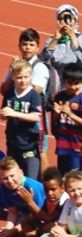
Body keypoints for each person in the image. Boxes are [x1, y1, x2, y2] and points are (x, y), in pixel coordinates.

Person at [1, 28, 52, 176]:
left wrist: (19, 79)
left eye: (31, 44)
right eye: (24, 44)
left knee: (40, 154)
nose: (27, 48)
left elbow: (35, 90)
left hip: (36, 123)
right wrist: (13, 73)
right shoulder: (14, 67)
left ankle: (46, 185)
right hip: (16, 129)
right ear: (19, 46)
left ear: (37, 47)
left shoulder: (40, 67)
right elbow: (4, 89)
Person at [40, 4, 82, 107]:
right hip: (60, 91)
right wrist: (55, 40)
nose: (66, 22)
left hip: (80, 91)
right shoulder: (52, 41)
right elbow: (42, 60)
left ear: (76, 20)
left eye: (69, 18)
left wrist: (73, 39)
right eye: (61, 19)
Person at [1, 59, 42, 179]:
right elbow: (4, 114)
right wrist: (4, 115)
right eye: (19, 77)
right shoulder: (9, 94)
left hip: (29, 147)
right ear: (13, 77)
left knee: (30, 180)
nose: (23, 80)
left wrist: (15, 113)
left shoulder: (33, 95)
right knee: (12, 179)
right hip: (13, 144)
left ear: (31, 76)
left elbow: (36, 116)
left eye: (26, 77)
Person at [51, 62, 82, 174]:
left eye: (76, 83)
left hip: (76, 146)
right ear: (64, 81)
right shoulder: (59, 97)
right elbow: (54, 122)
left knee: (76, 177)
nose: (73, 87)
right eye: (70, 83)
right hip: (62, 144)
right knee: (62, 176)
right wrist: (56, 113)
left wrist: (70, 114)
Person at [18, 167, 68, 237]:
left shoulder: (65, 200)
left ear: (62, 188)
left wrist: (30, 202)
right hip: (49, 230)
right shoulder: (48, 200)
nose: (49, 193)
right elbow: (39, 217)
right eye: (46, 190)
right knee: (26, 222)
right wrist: (30, 206)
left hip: (66, 232)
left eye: (53, 189)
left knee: (50, 227)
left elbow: (48, 217)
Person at [0, 157, 45, 237]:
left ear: (20, 172)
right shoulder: (3, 187)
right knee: (8, 234)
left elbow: (39, 215)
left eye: (12, 176)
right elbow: (13, 211)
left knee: (27, 231)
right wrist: (8, 229)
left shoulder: (32, 187)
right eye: (5, 178)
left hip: (41, 214)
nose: (10, 181)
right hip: (25, 214)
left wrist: (14, 230)